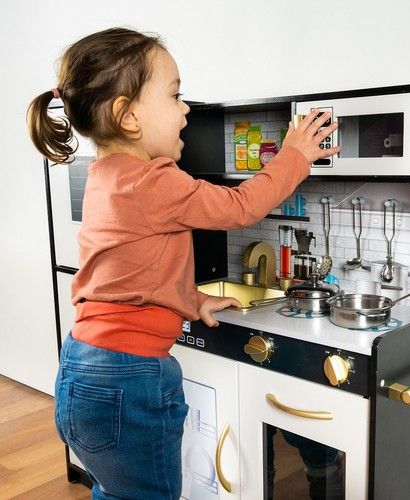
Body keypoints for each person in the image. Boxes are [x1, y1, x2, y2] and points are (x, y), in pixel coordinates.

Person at [27, 27, 340, 500]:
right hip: (128, 379)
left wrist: (190, 300)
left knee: (115, 491)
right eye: (175, 96)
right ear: (128, 116)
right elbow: (240, 207)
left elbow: (129, 273)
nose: (185, 109)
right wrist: (294, 157)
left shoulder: (105, 176)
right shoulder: (153, 180)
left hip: (83, 369)